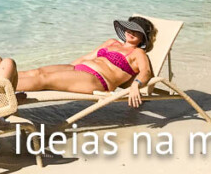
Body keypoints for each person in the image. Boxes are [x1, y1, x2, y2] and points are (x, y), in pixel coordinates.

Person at [15, 17, 155, 107]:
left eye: (137, 32)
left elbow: (146, 72)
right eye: (130, 28)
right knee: (36, 72)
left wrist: (136, 85)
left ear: (143, 38)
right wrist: (69, 68)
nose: (131, 32)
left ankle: (0, 93)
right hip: (78, 69)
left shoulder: (138, 53)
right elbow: (87, 57)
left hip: (97, 80)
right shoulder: (111, 42)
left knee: (44, 79)